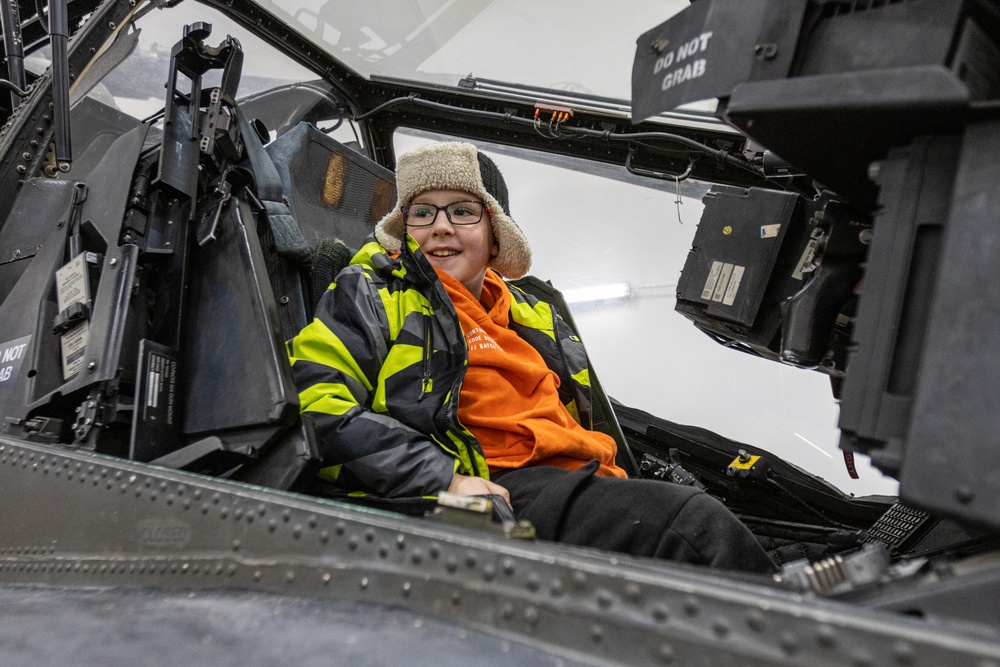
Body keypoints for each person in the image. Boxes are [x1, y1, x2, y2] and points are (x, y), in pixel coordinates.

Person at [287, 141, 775, 573]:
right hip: (498, 484)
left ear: (496, 234)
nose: (439, 228)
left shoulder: (534, 314)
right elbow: (317, 402)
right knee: (691, 528)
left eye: (461, 211)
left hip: (581, 478)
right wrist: (444, 481)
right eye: (422, 212)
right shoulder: (374, 293)